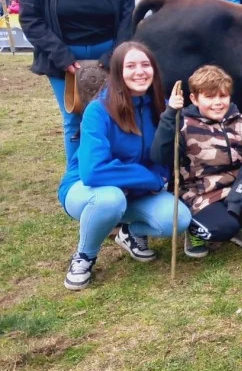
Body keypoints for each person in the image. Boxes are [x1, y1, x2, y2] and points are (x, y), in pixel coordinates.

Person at [59, 42, 192, 290]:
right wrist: (149, 179)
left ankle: (130, 232)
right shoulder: (98, 110)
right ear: (118, 72)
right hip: (88, 189)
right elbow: (93, 171)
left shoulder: (163, 107)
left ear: (154, 70)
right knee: (110, 199)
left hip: (137, 192)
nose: (139, 71)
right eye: (130, 66)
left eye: (145, 65)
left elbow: (166, 156)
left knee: (178, 219)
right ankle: (85, 256)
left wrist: (159, 175)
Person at [20, 0, 134, 164]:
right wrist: (61, 56)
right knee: (73, 118)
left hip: (107, 56)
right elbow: (30, 17)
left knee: (112, 113)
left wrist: (115, 54)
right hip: (64, 59)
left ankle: (109, 167)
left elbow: (128, 14)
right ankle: (76, 174)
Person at [151, 65, 242, 258]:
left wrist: (239, 196)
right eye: (209, 97)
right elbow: (160, 156)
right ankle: (195, 229)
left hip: (235, 189)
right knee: (223, 229)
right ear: (194, 99)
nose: (217, 102)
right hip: (199, 196)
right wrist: (169, 116)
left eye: (223, 96)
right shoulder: (182, 125)